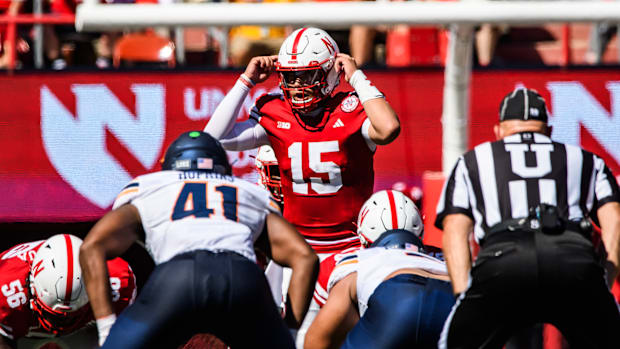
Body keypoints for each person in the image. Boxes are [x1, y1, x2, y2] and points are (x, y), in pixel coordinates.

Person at [79, 130, 319, 349]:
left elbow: (92, 246)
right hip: (241, 279)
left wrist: (107, 329)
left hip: (177, 278)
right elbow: (305, 257)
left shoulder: (151, 186)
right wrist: (290, 330)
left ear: (172, 165)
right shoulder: (246, 190)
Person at [436, 87, 620, 348]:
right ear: (548, 131)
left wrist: (465, 296)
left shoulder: (473, 161)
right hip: (571, 258)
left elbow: (455, 230)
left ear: (499, 131)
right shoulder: (588, 160)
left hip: (503, 259)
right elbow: (615, 222)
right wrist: (604, 280)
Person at [204, 26, 400, 256]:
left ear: (331, 71)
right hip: (297, 249)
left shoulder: (350, 107)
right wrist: (246, 81)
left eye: (307, 75)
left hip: (350, 247)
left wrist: (356, 76)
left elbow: (389, 129)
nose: (297, 85)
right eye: (290, 76)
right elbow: (213, 139)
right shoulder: (275, 111)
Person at [305, 189, 455, 349]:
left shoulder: (353, 260)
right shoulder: (443, 257)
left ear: (362, 237)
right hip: (450, 296)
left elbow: (319, 339)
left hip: (397, 295)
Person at [0, 234, 136, 349]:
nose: (62, 324)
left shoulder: (117, 282)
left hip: (83, 333)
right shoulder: (6, 288)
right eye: (55, 316)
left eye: (69, 316)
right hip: (21, 325)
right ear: (33, 288)